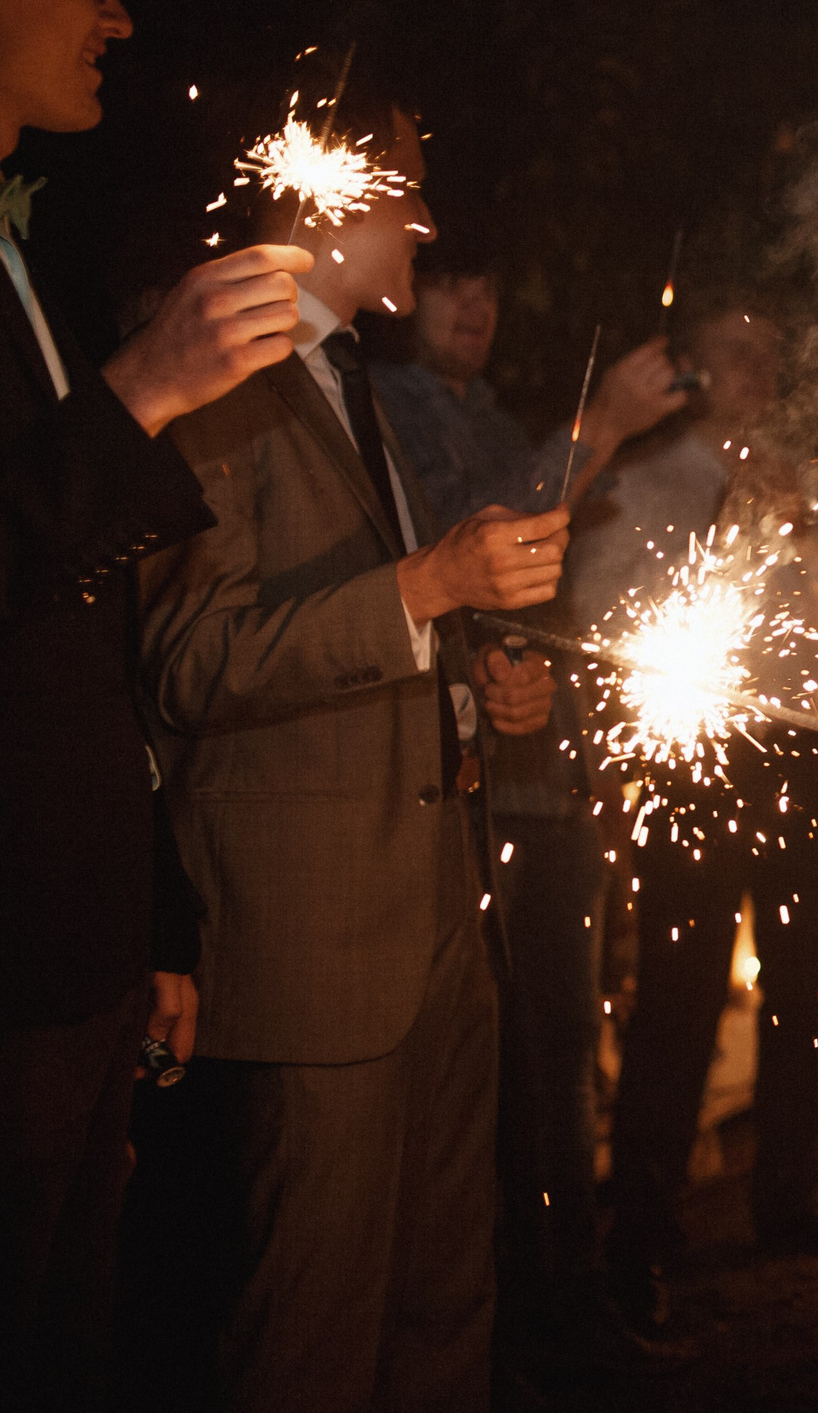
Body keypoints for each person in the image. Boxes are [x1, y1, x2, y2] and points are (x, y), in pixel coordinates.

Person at [133, 82, 570, 1412]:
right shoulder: (207, 373)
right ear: (329, 199)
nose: (428, 218)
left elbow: (373, 624)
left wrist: (473, 677)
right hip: (316, 941)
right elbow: (187, 660)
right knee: (311, 1328)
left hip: (435, 913)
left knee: (445, 1303)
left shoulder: (346, 378)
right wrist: (425, 589)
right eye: (410, 188)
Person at [0, 0, 306, 1407]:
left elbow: (78, 643)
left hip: (78, 944)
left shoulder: (23, 255)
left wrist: (152, 919)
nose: (117, 16)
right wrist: (142, 391)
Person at [373, 264, 685, 1389]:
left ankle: (562, 1292)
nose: (475, 306)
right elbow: (474, 541)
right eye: (449, 284)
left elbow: (532, 606)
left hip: (541, 773)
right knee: (508, 1062)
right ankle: (527, 1306)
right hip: (465, 794)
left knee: (561, 1045)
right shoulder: (384, 409)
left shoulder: (496, 416)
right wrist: (598, 427)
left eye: (491, 290)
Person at [567, 300, 818, 1333]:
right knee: (682, 983)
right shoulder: (648, 479)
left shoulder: (808, 474)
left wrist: (800, 521)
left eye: (769, 350)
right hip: (700, 748)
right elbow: (600, 618)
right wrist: (727, 530)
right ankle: (643, 1229)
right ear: (693, 371)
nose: (759, 367)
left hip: (812, 742)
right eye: (735, 353)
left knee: (805, 982)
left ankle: (789, 1198)